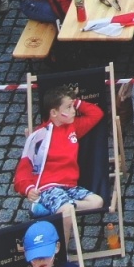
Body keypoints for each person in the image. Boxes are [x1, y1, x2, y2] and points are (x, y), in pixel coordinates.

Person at [15, 80, 107, 221]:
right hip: (49, 187)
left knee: (97, 202)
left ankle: (47, 209)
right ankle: (63, 239)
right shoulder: (40, 135)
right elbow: (25, 166)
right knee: (67, 210)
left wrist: (75, 102)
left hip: (70, 186)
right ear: (54, 112)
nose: (73, 111)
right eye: (68, 108)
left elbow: (97, 114)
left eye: (72, 107)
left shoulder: (73, 127)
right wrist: (27, 188)